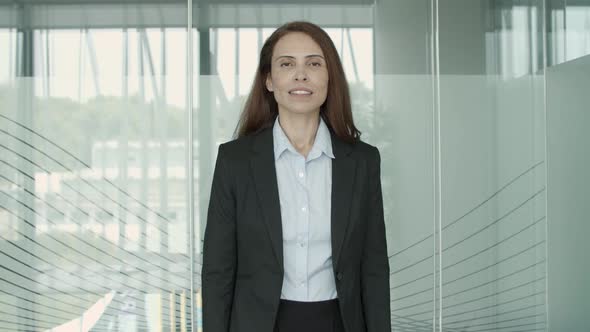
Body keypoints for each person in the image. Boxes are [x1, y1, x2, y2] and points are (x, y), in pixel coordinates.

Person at [202, 21, 390, 332]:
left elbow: (373, 269)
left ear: (330, 78)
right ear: (269, 80)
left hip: (338, 321)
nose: (300, 74)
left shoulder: (362, 161)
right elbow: (218, 271)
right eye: (287, 64)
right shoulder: (234, 161)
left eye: (314, 64)